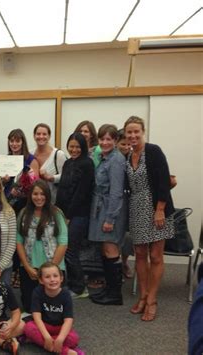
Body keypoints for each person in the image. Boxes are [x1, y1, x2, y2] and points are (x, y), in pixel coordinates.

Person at [124, 116, 175, 322]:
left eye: (136, 131)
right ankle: (143, 296)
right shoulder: (128, 155)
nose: (133, 135)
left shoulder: (153, 151)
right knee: (139, 253)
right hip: (136, 208)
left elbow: (164, 180)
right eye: (129, 132)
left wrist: (160, 209)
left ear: (143, 131)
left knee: (155, 256)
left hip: (156, 208)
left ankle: (152, 299)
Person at [88, 124, 127, 306]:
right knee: (105, 249)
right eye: (102, 139)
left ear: (116, 141)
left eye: (108, 139)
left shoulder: (116, 160)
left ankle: (114, 293)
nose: (104, 142)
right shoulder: (104, 158)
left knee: (111, 249)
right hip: (100, 208)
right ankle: (109, 288)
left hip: (111, 210)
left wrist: (110, 219)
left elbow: (117, 192)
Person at [16, 180, 68, 312]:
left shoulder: (56, 214)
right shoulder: (24, 213)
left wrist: (50, 270)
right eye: (35, 194)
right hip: (30, 268)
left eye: (42, 194)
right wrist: (27, 267)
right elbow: (19, 241)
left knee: (51, 308)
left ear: (48, 195)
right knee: (30, 307)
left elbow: (63, 242)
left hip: (52, 269)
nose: (39, 197)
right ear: (30, 195)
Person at [56, 133, 94, 299]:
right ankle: (70, 283)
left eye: (77, 147)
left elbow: (81, 193)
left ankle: (79, 288)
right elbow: (62, 188)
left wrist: (69, 215)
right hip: (64, 213)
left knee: (70, 250)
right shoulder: (68, 163)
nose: (74, 150)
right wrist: (57, 212)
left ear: (83, 147)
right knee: (63, 249)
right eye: (71, 146)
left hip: (78, 214)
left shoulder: (87, 164)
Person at [24, 262, 82, 355]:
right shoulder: (37, 291)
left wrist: (60, 338)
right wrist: (46, 337)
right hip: (44, 325)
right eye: (47, 277)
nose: (52, 280)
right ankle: (64, 350)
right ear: (41, 280)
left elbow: (68, 320)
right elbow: (37, 317)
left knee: (73, 339)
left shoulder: (66, 294)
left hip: (59, 328)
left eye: (55, 276)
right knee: (28, 327)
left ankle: (40, 342)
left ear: (61, 278)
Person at [3, 128, 40, 213]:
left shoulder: (31, 160)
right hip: (7, 200)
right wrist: (3, 181)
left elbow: (35, 184)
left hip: (25, 201)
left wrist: (21, 191)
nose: (14, 144)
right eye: (11, 141)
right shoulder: (5, 159)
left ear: (22, 142)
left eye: (17, 141)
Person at [32, 123, 66, 204]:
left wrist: (51, 178)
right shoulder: (30, 154)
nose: (41, 136)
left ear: (49, 136)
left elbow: (66, 176)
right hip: (34, 202)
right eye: (38, 134)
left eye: (44, 134)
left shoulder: (58, 154)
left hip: (53, 202)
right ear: (34, 136)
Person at [116, 129, 134, 279]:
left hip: (129, 201)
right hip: (113, 202)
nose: (126, 147)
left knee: (127, 236)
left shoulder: (134, 159)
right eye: (123, 144)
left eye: (129, 144)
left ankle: (124, 261)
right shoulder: (111, 157)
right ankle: (113, 264)